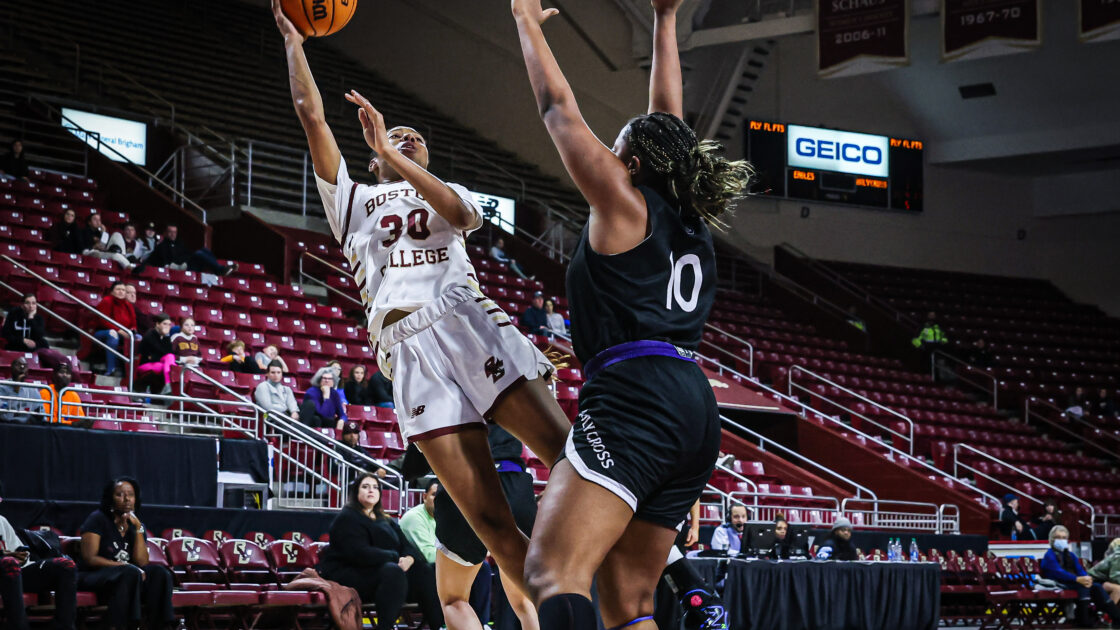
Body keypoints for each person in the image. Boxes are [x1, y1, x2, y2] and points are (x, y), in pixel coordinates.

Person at [275, 1, 570, 619]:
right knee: (488, 522)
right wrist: (293, 40)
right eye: (396, 137)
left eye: (418, 141)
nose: (408, 138)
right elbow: (311, 117)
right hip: (407, 349)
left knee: (568, 452)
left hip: (464, 321)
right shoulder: (352, 200)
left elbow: (462, 219)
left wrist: (398, 154)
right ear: (374, 155)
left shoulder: (449, 194)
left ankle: (645, 569)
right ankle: (558, 617)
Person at [512, 0, 752, 627]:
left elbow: (557, 109)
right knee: (629, 601)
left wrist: (525, 24)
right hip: (694, 403)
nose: (611, 160)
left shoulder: (625, 203)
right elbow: (667, 120)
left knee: (553, 572)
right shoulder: (689, 216)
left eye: (620, 152)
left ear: (636, 166)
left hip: (637, 394)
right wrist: (665, 20)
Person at [317, 474, 443, 630]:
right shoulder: (346, 518)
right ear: (356, 491)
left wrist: (410, 558)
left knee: (425, 570)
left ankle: (440, 626)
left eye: (375, 487)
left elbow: (406, 545)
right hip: (349, 574)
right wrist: (395, 557)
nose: (371, 490)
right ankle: (385, 627)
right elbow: (358, 553)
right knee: (392, 572)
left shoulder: (385, 519)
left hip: (383, 574)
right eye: (365, 486)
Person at [77, 478, 176, 630]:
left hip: (128, 577)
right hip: (95, 575)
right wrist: (123, 566)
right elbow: (90, 558)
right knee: (130, 571)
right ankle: (127, 625)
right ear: (110, 499)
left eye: (131, 494)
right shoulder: (97, 519)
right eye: (120, 494)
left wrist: (138, 528)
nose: (127, 498)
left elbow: (142, 562)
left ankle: (161, 625)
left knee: (160, 573)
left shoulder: (137, 525)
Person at [0, 481, 78, 630]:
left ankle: (63, 626)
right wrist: (5, 556)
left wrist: (21, 556)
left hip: (14, 574)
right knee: (9, 563)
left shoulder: (1, 521)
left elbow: (19, 552)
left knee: (66, 566)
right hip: (6, 570)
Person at [1041, 525, 1120, 628]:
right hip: (1058, 582)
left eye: (1064, 538)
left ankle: (1116, 617)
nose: (1061, 540)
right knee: (1083, 587)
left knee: (1096, 587)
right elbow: (1058, 572)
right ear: (1052, 539)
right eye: (1058, 537)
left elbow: (1080, 570)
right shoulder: (1049, 555)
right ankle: (1084, 620)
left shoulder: (1071, 555)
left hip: (1073, 582)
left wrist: (1086, 578)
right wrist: (1077, 579)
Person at [2, 293, 69, 371]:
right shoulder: (13, 315)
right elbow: (5, 333)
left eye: (33, 303)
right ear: (22, 305)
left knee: (44, 343)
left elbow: (39, 336)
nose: (31, 306)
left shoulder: (38, 319)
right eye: (27, 303)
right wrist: (22, 340)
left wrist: (31, 318)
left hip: (32, 348)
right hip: (16, 345)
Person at [140, 224, 236, 276]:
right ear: (166, 233)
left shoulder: (180, 243)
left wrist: (185, 261)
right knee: (199, 253)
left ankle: (220, 269)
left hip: (186, 265)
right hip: (178, 269)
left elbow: (188, 254)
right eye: (170, 232)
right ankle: (220, 270)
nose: (173, 234)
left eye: (175, 232)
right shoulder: (162, 246)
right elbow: (165, 261)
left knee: (204, 250)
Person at [91, 282, 136, 376]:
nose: (121, 292)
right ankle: (111, 369)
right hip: (101, 332)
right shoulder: (107, 301)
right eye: (118, 289)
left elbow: (133, 323)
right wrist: (120, 331)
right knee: (113, 334)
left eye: (123, 290)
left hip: (123, 333)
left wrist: (132, 330)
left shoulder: (128, 305)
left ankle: (131, 372)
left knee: (139, 337)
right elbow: (103, 321)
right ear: (112, 292)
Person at [400, 479, 439, 564]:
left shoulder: (444, 517)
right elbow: (429, 556)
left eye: (443, 496)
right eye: (435, 494)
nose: (439, 499)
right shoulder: (413, 517)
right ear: (424, 497)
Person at [135, 314, 175, 395]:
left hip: (159, 362)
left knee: (170, 357)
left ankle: (168, 385)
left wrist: (166, 336)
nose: (167, 326)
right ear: (157, 324)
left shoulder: (165, 336)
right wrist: (166, 336)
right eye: (164, 324)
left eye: (169, 324)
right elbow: (159, 350)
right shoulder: (150, 334)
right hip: (145, 364)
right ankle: (169, 386)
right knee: (168, 366)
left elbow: (170, 352)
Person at [0, 356, 45, 423]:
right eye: (18, 364)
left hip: (26, 427)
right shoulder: (2, 386)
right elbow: (4, 414)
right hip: (5, 425)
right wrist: (16, 389)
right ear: (11, 368)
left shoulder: (33, 389)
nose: (22, 367)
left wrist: (39, 413)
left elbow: (42, 415)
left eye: (25, 365)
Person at [1089, 538, 1120, 606]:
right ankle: (1109, 615)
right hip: (1094, 581)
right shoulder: (1118, 555)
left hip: (1106, 581)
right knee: (1118, 589)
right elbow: (1115, 577)